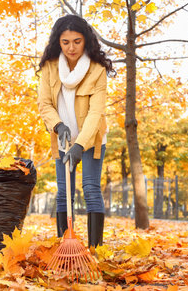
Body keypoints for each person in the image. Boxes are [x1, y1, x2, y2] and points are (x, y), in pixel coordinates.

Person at [37, 14, 115, 248]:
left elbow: (96, 112)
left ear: (86, 41)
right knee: (63, 192)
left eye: (77, 41)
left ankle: (95, 249)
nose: (72, 47)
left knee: (90, 188)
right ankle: (65, 246)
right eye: (66, 42)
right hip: (62, 138)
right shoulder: (50, 67)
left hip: (90, 138)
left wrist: (81, 144)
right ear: (58, 42)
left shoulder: (97, 69)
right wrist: (58, 125)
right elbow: (44, 103)